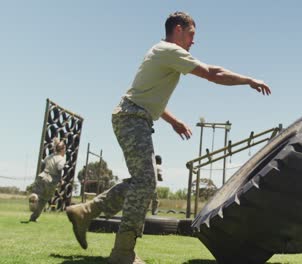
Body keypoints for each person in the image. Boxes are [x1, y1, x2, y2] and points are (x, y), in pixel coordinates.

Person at [66, 11, 271, 264]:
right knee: (145, 182)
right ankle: (122, 252)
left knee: (143, 181)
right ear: (178, 29)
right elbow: (212, 73)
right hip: (132, 118)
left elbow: (149, 97)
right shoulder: (170, 51)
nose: (193, 41)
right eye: (191, 34)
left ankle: (86, 211)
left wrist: (174, 121)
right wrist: (248, 80)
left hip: (133, 116)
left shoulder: (162, 54)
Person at [28, 138, 66, 222]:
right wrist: (60, 180)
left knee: (38, 194)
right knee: (44, 200)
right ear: (62, 149)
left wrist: (42, 173)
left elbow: (43, 164)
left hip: (42, 175)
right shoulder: (61, 159)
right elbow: (59, 168)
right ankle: (34, 216)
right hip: (51, 180)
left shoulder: (50, 156)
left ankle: (34, 197)